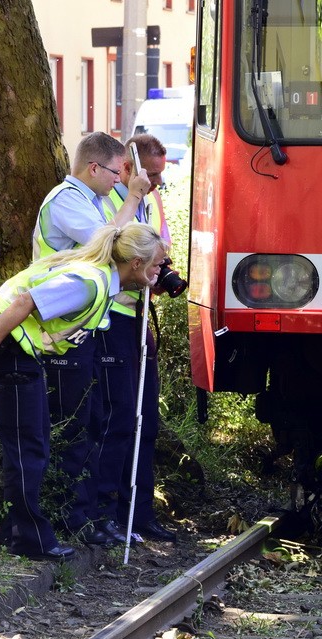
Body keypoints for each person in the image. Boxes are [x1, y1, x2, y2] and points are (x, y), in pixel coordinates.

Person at [0, 223, 166, 560]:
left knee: (34, 445)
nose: (159, 272)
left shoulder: (105, 282)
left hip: (23, 352)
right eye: (155, 265)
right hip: (10, 348)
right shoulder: (89, 282)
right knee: (27, 447)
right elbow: (24, 302)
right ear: (136, 263)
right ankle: (27, 537)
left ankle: (18, 530)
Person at [30, 132, 152, 547]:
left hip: (85, 324)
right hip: (60, 326)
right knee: (75, 427)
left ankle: (91, 516)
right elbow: (111, 247)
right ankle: (73, 519)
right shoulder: (66, 200)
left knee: (97, 421)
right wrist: (133, 200)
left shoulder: (95, 201)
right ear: (94, 168)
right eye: (118, 173)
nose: (121, 181)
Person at [95, 134, 178, 543]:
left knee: (147, 421)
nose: (159, 183)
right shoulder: (113, 200)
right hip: (114, 319)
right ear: (130, 168)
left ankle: (139, 512)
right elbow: (103, 253)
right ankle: (109, 513)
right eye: (155, 174)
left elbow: (156, 254)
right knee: (121, 418)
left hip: (140, 318)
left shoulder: (149, 199)